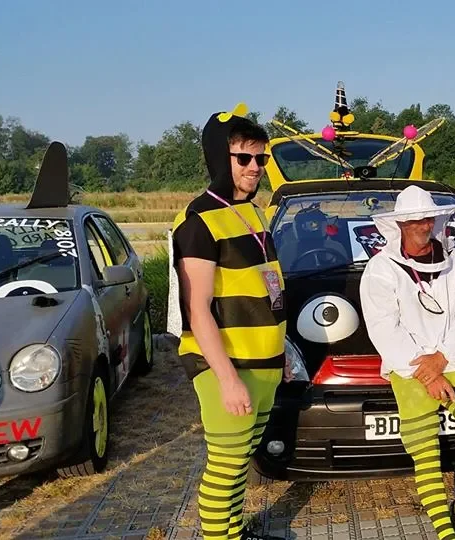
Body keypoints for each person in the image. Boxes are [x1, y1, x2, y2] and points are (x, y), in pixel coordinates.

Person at [171, 104, 290, 540]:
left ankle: (235, 531)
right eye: (244, 157)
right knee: (225, 465)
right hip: (227, 365)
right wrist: (227, 379)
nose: (255, 167)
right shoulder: (199, 221)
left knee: (241, 460)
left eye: (261, 158)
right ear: (221, 157)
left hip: (264, 362)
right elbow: (197, 308)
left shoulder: (253, 212)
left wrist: (282, 352)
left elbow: (267, 288)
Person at [359, 185, 455, 540]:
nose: (423, 226)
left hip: (454, 360)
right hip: (409, 367)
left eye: (428, 219)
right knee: (425, 451)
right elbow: (383, 328)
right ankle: (443, 528)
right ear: (400, 225)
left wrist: (442, 357)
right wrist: (426, 372)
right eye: (414, 221)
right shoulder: (381, 268)